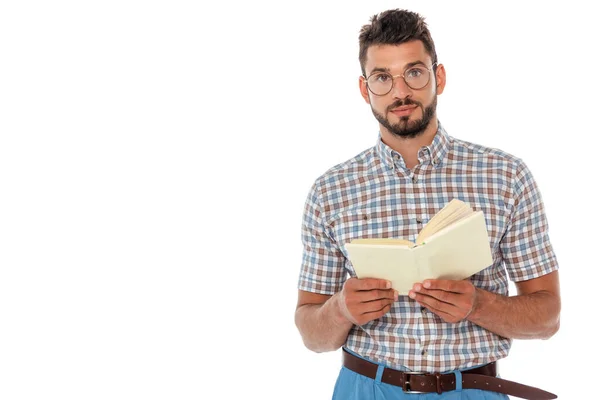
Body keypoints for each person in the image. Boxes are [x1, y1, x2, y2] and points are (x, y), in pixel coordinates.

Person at [294, 9, 560, 400]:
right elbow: (311, 333)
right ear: (365, 90)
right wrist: (340, 310)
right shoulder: (330, 191)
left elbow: (547, 318)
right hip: (364, 390)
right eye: (382, 78)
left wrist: (478, 304)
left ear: (439, 77)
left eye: (414, 72)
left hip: (471, 390)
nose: (400, 92)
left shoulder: (506, 177)